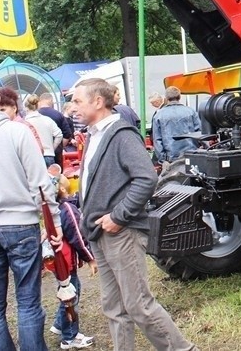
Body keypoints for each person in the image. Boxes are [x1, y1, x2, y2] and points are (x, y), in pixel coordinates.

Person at [71, 78, 197, 351]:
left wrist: (118, 216)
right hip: (100, 232)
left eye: (77, 100)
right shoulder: (95, 134)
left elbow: (145, 179)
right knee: (114, 307)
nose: (72, 107)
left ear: (97, 101)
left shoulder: (121, 134)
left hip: (121, 231)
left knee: (138, 304)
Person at [0, 90, 62, 351]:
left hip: (15, 221)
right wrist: (54, 220)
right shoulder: (17, 131)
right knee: (27, 301)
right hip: (20, 222)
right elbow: (41, 183)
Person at [46, 173, 97, 349]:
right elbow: (78, 237)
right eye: (61, 177)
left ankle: (60, 325)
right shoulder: (67, 210)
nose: (64, 175)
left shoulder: (57, 208)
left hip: (59, 262)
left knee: (65, 292)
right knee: (70, 296)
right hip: (66, 263)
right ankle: (70, 337)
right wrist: (90, 258)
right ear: (61, 188)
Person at [152, 86, 201, 166]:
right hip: (192, 155)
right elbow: (200, 133)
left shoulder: (159, 115)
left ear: (166, 98)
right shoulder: (191, 111)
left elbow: (157, 140)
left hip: (171, 158)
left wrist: (163, 160)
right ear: (179, 96)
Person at [0, 86, 44, 152]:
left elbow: (38, 150)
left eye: (2, 110)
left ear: (14, 108)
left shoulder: (24, 126)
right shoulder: (2, 127)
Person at [24, 94, 64, 168]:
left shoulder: (24, 123)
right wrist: (52, 147)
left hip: (33, 156)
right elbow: (59, 135)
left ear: (26, 108)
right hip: (49, 155)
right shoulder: (47, 120)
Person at [38, 93, 74, 166]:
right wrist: (60, 146)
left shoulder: (34, 116)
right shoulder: (58, 115)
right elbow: (67, 134)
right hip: (56, 153)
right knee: (57, 176)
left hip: (38, 153)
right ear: (51, 101)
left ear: (40, 101)